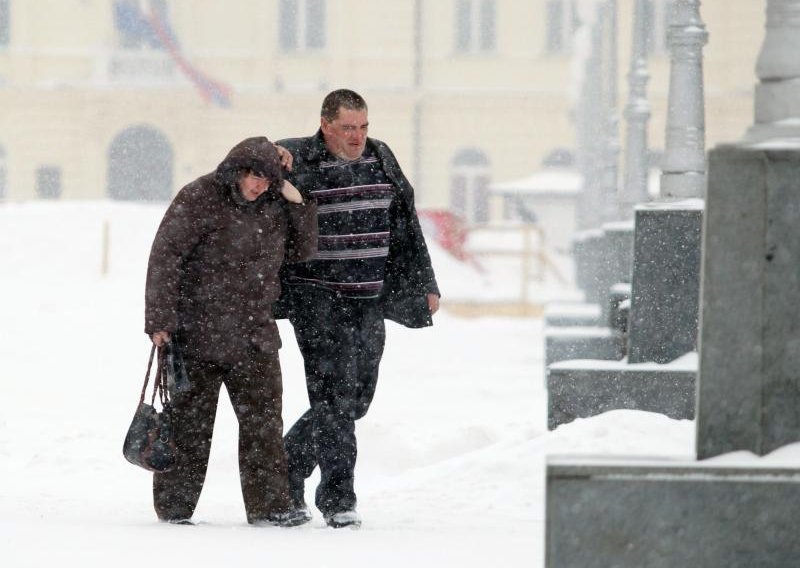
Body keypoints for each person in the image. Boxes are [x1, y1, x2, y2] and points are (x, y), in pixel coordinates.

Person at [275, 89, 440, 529]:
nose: (358, 136)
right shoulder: (296, 158)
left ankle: (287, 463)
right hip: (316, 296)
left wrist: (425, 281)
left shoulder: (381, 156)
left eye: (363, 126)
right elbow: (243, 171)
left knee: (355, 398)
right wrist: (267, 152)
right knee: (331, 397)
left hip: (369, 297)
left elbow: (406, 221)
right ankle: (337, 499)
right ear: (326, 124)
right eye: (348, 127)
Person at [144, 136, 317, 527]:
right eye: (254, 176)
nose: (258, 186)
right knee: (190, 429)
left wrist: (295, 198)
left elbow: (304, 250)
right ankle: (174, 511)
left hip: (255, 336)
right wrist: (159, 321)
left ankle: (270, 510)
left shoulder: (276, 201)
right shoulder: (199, 196)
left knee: (264, 430)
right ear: (237, 169)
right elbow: (166, 256)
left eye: (267, 180)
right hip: (196, 335)